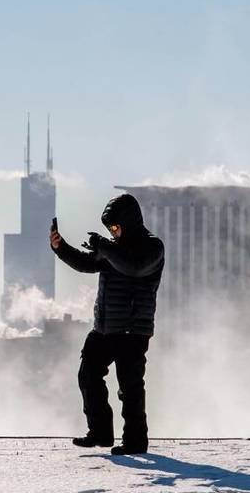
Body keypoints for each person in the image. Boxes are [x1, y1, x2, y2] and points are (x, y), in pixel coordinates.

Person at [49, 193, 164, 456]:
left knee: (130, 387)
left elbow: (134, 267)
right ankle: (100, 433)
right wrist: (61, 247)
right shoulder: (113, 248)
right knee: (88, 375)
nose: (112, 232)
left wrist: (104, 246)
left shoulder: (152, 247)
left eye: (114, 227)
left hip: (132, 331)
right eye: (109, 229)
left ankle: (135, 442)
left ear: (129, 222)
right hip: (104, 328)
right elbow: (86, 263)